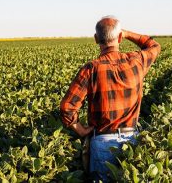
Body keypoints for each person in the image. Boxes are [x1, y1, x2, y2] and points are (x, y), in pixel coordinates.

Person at [60, 16, 161, 181]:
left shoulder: (91, 69)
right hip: (131, 140)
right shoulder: (137, 61)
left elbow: (67, 106)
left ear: (96, 39)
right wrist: (127, 33)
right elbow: (154, 46)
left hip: (102, 142)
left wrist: (80, 129)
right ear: (120, 37)